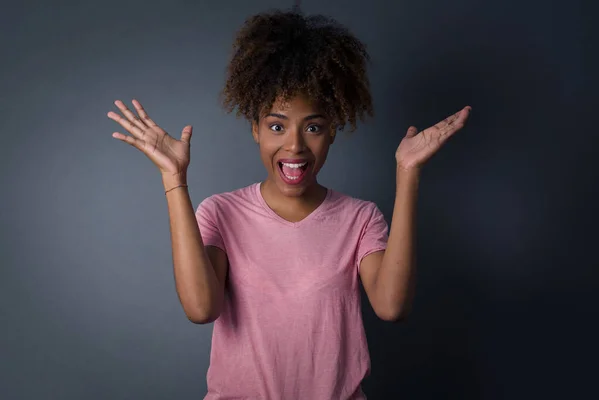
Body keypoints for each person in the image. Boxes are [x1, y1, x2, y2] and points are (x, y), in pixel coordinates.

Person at [107, 8, 471, 400]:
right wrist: (173, 180)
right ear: (255, 130)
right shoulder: (221, 213)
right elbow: (201, 309)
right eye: (277, 126)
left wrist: (407, 174)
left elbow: (391, 306)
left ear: (333, 130)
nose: (295, 145)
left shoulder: (360, 219)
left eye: (312, 127)